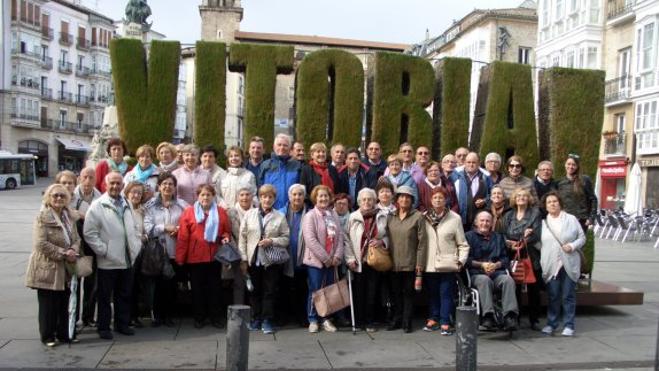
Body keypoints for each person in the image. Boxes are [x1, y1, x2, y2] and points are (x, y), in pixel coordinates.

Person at [84, 172, 142, 340]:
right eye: (112, 183)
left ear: (123, 185)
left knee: (124, 294)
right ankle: (103, 327)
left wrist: (136, 245)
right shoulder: (97, 206)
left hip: (127, 259)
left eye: (118, 183)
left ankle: (122, 324)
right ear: (105, 184)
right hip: (108, 261)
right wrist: (105, 251)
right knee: (104, 296)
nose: (116, 186)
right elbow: (89, 233)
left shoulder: (127, 203)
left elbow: (135, 227)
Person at [26, 184, 81, 347]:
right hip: (47, 267)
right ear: (48, 198)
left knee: (65, 302)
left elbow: (77, 239)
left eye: (62, 196)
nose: (58, 198)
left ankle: (64, 334)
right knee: (48, 304)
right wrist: (64, 253)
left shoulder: (69, 216)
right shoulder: (42, 217)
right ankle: (47, 336)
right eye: (55, 195)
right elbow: (40, 244)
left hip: (66, 267)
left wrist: (73, 249)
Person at [176, 184, 231, 329]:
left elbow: (226, 231)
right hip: (195, 258)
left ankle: (215, 317)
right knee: (197, 290)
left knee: (215, 289)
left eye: (208, 195)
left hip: (214, 257)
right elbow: (183, 237)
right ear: (198, 196)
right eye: (202, 195)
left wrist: (225, 237)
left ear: (213, 196)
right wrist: (180, 259)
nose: (205, 197)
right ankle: (199, 317)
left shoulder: (220, 212)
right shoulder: (189, 213)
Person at [238, 184, 290, 334]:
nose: (267, 199)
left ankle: (267, 320)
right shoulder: (250, 214)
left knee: (269, 291)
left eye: (270, 197)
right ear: (259, 198)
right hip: (253, 260)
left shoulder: (280, 216)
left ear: (274, 199)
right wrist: (244, 258)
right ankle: (256, 319)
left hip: (270, 261)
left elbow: (286, 238)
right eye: (264, 196)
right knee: (254, 291)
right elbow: (243, 238)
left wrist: (272, 241)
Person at [144, 173, 189, 327]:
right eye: (164, 184)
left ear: (175, 187)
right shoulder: (150, 205)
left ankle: (169, 315)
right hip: (157, 253)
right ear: (159, 187)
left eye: (170, 184)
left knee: (171, 285)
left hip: (175, 251)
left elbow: (189, 224)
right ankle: (157, 316)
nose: (167, 187)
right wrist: (164, 228)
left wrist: (178, 230)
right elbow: (148, 228)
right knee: (156, 286)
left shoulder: (183, 205)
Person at [422, 187, 469, 335]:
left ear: (446, 200)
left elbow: (463, 243)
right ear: (431, 200)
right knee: (432, 293)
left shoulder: (455, 218)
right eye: (435, 197)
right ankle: (433, 318)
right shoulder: (423, 217)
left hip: (448, 263)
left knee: (446, 293)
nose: (437, 200)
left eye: (441, 198)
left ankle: (445, 322)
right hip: (429, 262)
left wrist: (460, 261)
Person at [538, 191, 586, 337]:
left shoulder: (571, 219)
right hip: (551, 263)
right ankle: (551, 323)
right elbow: (537, 242)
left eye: (555, 201)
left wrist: (572, 246)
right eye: (549, 202)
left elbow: (582, 237)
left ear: (560, 203)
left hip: (569, 262)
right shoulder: (543, 223)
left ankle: (569, 325)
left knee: (568, 295)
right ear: (545, 206)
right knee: (553, 295)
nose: (552, 204)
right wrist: (545, 251)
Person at [465, 211, 518, 331]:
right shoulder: (468, 236)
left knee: (508, 280)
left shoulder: (498, 237)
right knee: (484, 280)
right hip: (477, 273)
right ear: (476, 222)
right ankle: (488, 316)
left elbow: (505, 258)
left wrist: (496, 265)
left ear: (492, 223)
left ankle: (510, 317)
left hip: (496, 272)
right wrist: (482, 265)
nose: (485, 223)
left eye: (488, 221)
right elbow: (465, 260)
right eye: (482, 220)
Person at [301, 185, 344, 333]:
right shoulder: (310, 216)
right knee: (316, 290)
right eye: (320, 196)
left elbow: (339, 237)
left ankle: (326, 319)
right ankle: (313, 319)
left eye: (326, 196)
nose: (323, 199)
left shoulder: (333, 214)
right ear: (315, 198)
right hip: (316, 261)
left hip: (333, 261)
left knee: (329, 291)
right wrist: (326, 259)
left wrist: (337, 256)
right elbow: (310, 240)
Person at [345, 188, 388, 332]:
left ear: (375, 201)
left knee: (372, 292)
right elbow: (346, 240)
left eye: (370, 199)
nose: (367, 202)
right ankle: (358, 321)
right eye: (363, 199)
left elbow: (388, 235)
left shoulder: (382, 215)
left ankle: (369, 321)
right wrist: (350, 258)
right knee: (358, 293)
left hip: (374, 260)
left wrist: (382, 242)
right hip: (358, 261)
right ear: (359, 201)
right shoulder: (353, 217)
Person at [386, 185, 427, 333]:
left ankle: (407, 321)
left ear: (412, 200)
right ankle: (397, 319)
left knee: (408, 294)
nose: (404, 199)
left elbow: (422, 243)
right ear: (397, 199)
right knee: (395, 293)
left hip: (410, 262)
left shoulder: (418, 216)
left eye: (407, 197)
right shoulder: (391, 216)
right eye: (401, 197)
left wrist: (419, 264)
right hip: (392, 262)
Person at [501, 188, 542, 330]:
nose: (521, 198)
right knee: (515, 287)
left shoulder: (535, 213)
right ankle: (515, 318)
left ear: (529, 198)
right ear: (514, 198)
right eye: (518, 195)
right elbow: (503, 234)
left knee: (533, 288)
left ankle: (534, 319)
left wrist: (518, 239)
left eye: (524, 196)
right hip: (513, 255)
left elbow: (536, 235)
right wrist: (510, 242)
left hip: (530, 255)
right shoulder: (508, 215)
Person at [71, 167, 102, 327]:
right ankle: (74, 317)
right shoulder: (71, 196)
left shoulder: (100, 197)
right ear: (79, 178)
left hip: (92, 245)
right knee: (75, 283)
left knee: (92, 283)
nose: (88, 181)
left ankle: (88, 316)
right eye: (85, 177)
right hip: (75, 245)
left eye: (91, 177)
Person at [278, 184, 309, 326]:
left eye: (300, 194)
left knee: (302, 288)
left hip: (304, 257)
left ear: (304, 196)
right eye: (294, 194)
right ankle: (283, 316)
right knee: (284, 289)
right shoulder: (280, 213)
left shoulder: (310, 213)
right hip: (285, 257)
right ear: (289, 196)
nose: (297, 197)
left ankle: (302, 316)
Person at [123, 182, 147, 328]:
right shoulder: (124, 209)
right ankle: (126, 316)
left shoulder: (142, 210)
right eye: (133, 192)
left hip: (140, 252)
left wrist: (144, 235)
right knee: (127, 286)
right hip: (127, 252)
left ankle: (135, 315)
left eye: (139, 193)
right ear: (127, 193)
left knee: (136, 285)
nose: (136, 195)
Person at [226, 186, 255, 305]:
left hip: (254, 254)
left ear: (252, 197)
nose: (244, 197)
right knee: (239, 284)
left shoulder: (257, 211)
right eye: (241, 195)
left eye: (247, 194)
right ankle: (238, 314)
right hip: (236, 253)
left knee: (254, 284)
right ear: (237, 197)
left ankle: (254, 314)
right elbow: (228, 234)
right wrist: (241, 255)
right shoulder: (230, 213)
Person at [258, 134, 301, 210]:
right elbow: (259, 188)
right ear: (274, 147)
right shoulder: (265, 165)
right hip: (270, 210)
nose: (282, 147)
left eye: (285, 145)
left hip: (291, 210)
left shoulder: (297, 166)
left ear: (290, 149)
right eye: (279, 145)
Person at [557, 154, 597, 233]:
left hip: (581, 220)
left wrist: (591, 218)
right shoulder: (559, 183)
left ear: (577, 166)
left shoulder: (585, 180)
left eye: (573, 165)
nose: (571, 167)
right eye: (568, 164)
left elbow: (593, 199)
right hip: (565, 220)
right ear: (565, 165)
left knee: (579, 244)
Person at [455, 152, 492, 229]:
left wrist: (485, 201)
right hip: (458, 218)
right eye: (468, 162)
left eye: (474, 162)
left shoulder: (485, 177)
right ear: (464, 162)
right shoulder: (456, 175)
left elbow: (492, 195)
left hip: (478, 221)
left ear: (479, 163)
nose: (471, 165)